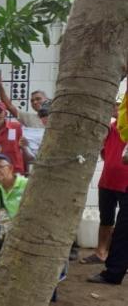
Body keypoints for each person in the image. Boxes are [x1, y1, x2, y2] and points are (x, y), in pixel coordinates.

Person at [90, 116, 128, 285]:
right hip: (109, 182)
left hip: (125, 185)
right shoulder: (111, 128)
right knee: (112, 223)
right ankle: (110, 267)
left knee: (122, 230)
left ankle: (113, 272)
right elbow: (104, 153)